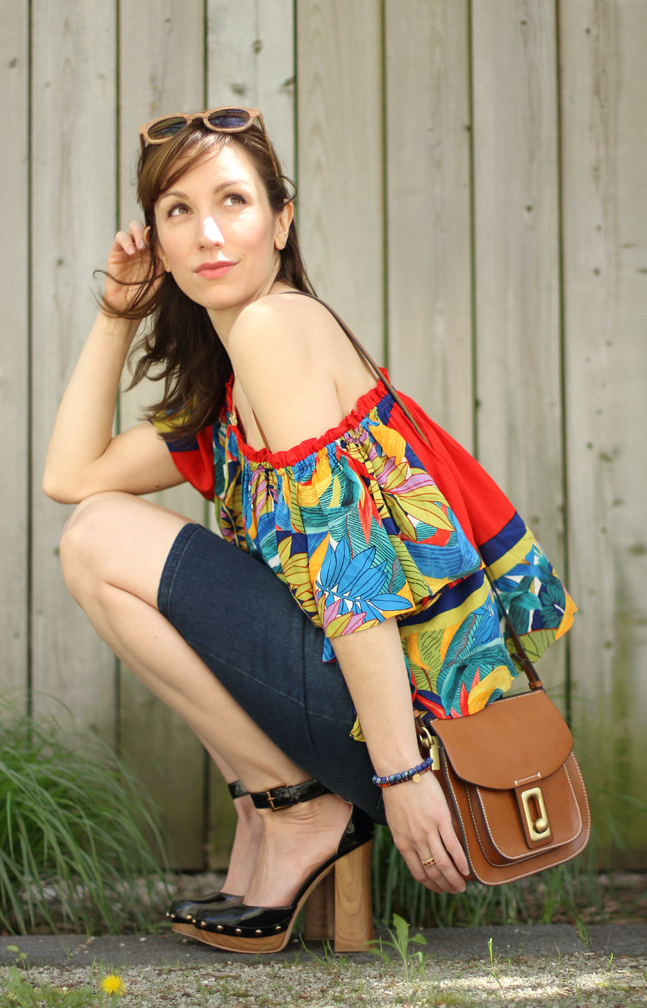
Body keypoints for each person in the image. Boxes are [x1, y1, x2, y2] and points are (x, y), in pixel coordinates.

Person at [43, 107, 575, 954]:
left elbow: (350, 569)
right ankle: (281, 804)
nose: (208, 233)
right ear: (156, 239)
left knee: (99, 540)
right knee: (93, 526)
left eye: (233, 202)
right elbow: (69, 477)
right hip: (377, 704)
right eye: (178, 211)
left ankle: (299, 810)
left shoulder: (273, 329)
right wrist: (116, 313)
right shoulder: (234, 370)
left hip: (410, 724)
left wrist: (400, 776)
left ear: (281, 221)